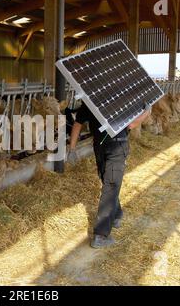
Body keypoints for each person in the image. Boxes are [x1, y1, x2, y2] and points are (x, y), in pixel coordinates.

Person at [67, 102, 150, 249]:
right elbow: (131, 125)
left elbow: (78, 124)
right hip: (117, 146)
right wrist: (146, 112)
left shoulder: (90, 100)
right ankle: (100, 235)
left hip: (100, 147)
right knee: (111, 185)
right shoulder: (123, 99)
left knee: (108, 182)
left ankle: (116, 215)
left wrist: (72, 148)